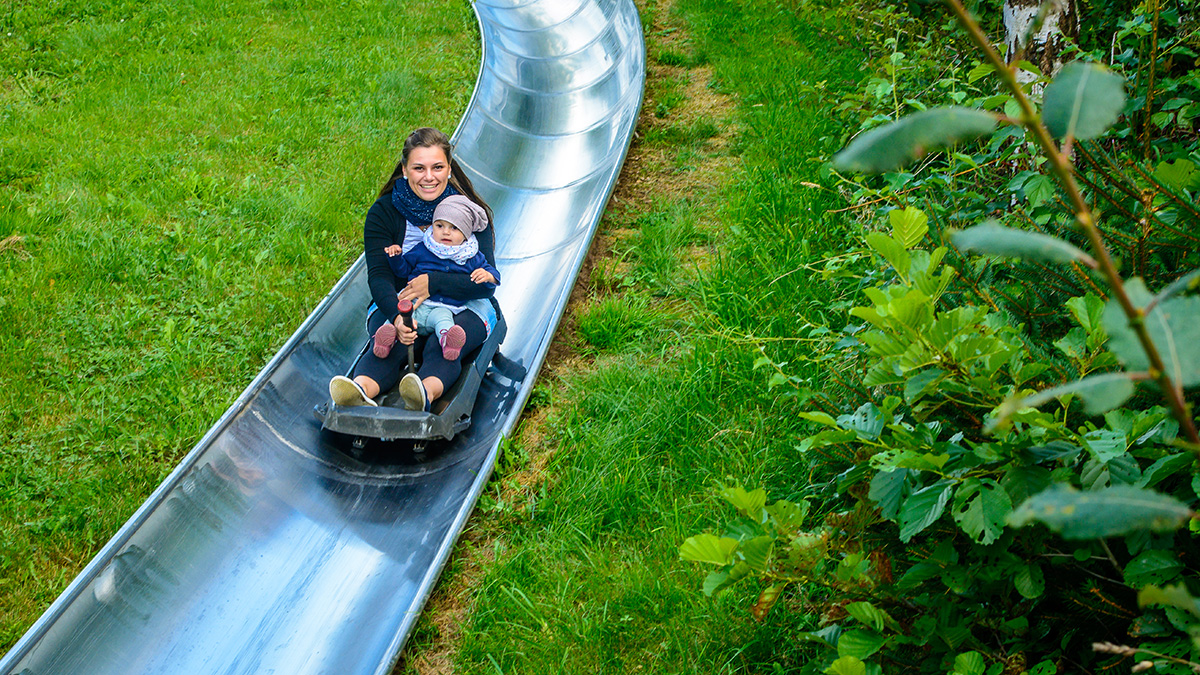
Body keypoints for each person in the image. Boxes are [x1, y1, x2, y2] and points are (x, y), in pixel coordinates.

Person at [329, 127, 496, 412]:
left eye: (437, 167)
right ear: (405, 170)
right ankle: (360, 389)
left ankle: (424, 393)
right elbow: (380, 276)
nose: (429, 177)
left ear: (449, 169)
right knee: (389, 341)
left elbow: (485, 282)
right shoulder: (383, 213)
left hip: (463, 304)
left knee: (446, 342)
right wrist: (396, 315)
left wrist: (432, 283)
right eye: (419, 168)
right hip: (401, 301)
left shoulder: (467, 212)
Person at [373, 195, 500, 361]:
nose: (446, 232)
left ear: (466, 233)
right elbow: (403, 270)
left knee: (444, 321)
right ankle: (385, 338)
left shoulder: (471, 256)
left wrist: (488, 276)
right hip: (415, 303)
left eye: (454, 228)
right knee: (401, 318)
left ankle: (448, 342)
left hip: (443, 306)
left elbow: (493, 276)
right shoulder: (423, 249)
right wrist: (396, 257)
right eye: (440, 226)